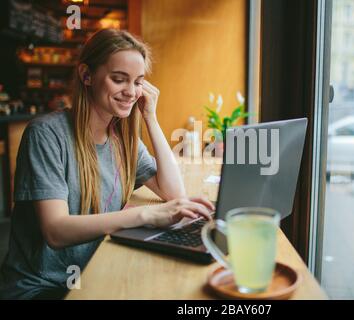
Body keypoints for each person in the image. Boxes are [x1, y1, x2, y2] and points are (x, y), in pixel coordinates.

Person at [0, 29, 214, 299]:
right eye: (118, 79)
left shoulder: (122, 137)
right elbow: (55, 231)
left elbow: (173, 193)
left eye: (138, 82)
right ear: (86, 75)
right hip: (42, 287)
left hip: (93, 269)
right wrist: (144, 215)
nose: (131, 92)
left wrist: (151, 117)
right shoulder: (46, 134)